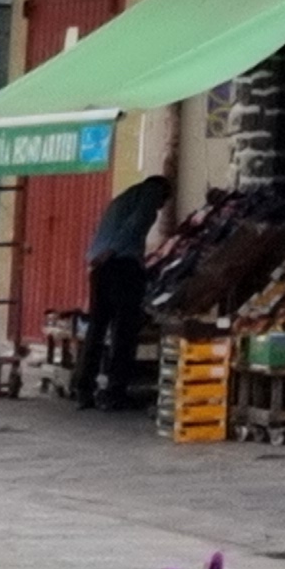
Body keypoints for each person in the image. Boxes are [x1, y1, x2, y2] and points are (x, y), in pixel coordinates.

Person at [71, 169, 175, 410]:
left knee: (97, 328)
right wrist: (114, 250)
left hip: (100, 267)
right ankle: (115, 392)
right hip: (122, 266)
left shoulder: (122, 198)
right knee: (124, 331)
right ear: (162, 192)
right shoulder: (151, 192)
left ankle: (83, 389)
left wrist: (102, 254)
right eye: (164, 202)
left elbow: (103, 231)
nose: (160, 208)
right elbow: (136, 224)